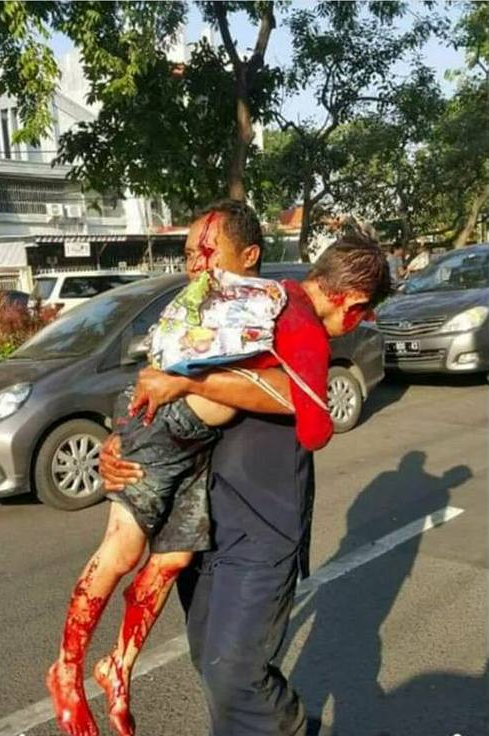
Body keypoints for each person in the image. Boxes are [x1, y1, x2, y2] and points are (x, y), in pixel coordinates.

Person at [97, 201, 391, 736]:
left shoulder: (285, 319)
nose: (196, 265)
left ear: (249, 255)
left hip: (260, 535)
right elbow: (152, 395)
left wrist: (190, 383)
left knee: (234, 676)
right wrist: (118, 448)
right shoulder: (218, 314)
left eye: (208, 253)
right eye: (190, 253)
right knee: (213, 666)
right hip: (197, 530)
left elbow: (301, 399)